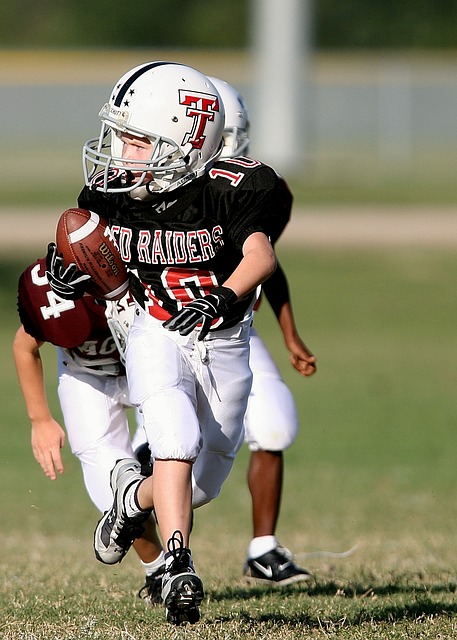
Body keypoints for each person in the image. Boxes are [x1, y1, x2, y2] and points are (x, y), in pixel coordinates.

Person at [66, 61, 289, 625]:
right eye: (121, 135)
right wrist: (69, 276)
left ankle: (129, 503)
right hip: (153, 328)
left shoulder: (232, 189)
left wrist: (222, 297)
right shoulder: (110, 195)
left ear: (186, 143)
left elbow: (261, 257)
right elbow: (95, 264)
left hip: (223, 339)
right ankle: (176, 560)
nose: (120, 150)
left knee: (203, 482)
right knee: (174, 435)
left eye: (137, 140)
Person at [209, 77, 317, 585]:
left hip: (235, 329)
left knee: (274, 422)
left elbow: (263, 262)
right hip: (165, 333)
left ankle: (263, 548)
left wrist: (290, 334)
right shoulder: (147, 197)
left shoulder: (260, 191)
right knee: (164, 449)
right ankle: (161, 562)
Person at [12, 254, 165, 604]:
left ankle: (149, 464)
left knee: (179, 455)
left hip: (147, 366)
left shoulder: (129, 285)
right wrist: (40, 420)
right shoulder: (46, 297)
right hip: (86, 376)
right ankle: (158, 569)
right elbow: (24, 346)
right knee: (113, 491)